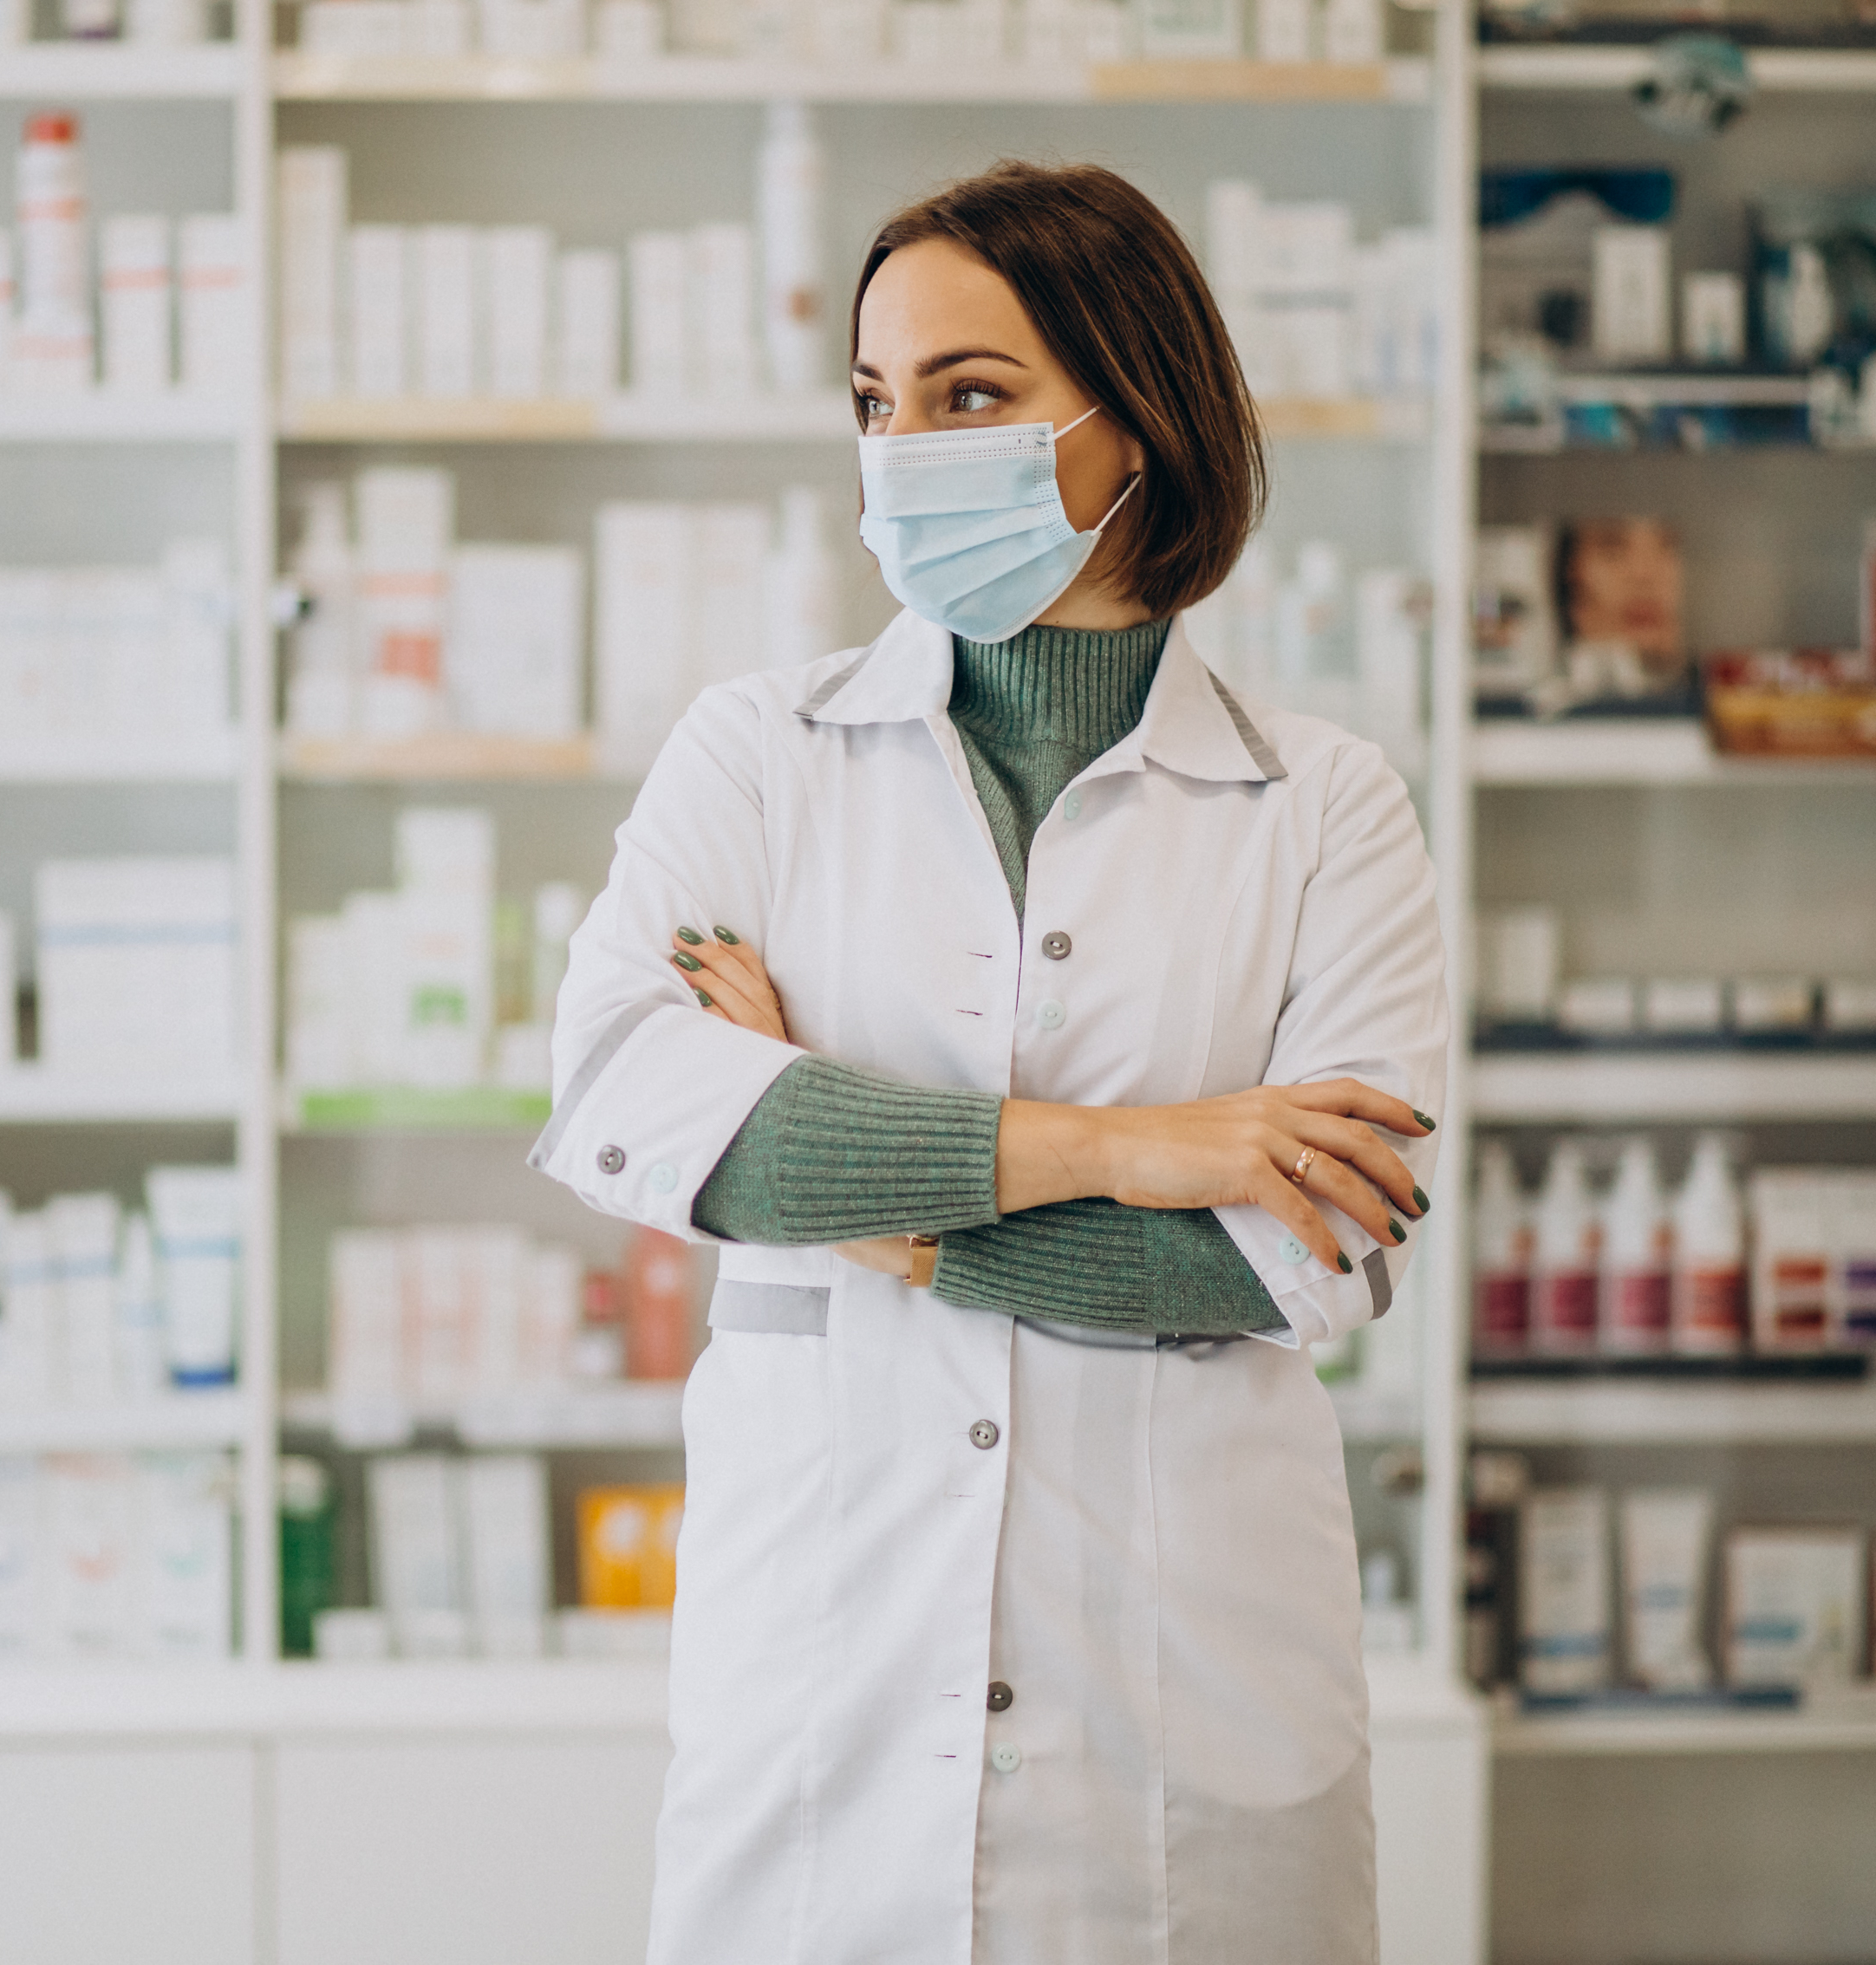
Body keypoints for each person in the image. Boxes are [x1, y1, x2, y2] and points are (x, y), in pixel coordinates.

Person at [530, 160, 1449, 1965]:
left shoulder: (1326, 806)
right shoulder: (759, 755)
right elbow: (638, 1117)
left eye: (970, 398)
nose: (905, 455)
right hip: (829, 1721)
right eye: (877, 407)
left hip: (1185, 1727)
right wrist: (1141, 1147)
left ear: (1142, 420)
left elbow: (1292, 1257)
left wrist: (878, 1214)